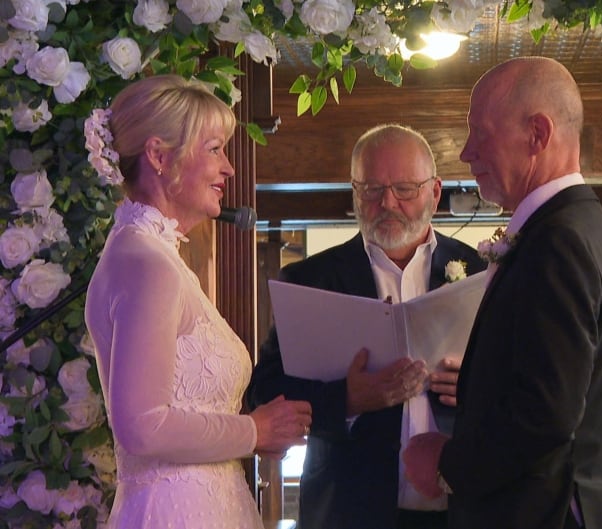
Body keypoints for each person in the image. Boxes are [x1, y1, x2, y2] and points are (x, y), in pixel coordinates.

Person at [402, 57, 602, 529]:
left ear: (537, 134)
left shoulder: (559, 243)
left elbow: (544, 414)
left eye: (481, 133)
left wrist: (449, 466)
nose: (467, 152)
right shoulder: (593, 232)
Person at [84, 74, 312, 529]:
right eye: (214, 150)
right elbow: (142, 426)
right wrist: (254, 430)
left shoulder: (153, 254)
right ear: (159, 156)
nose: (228, 168)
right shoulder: (145, 261)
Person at [247, 123, 487, 529]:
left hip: (463, 509)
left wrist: (476, 384)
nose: (387, 203)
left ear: (435, 191)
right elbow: (264, 393)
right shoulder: (311, 279)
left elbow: (522, 383)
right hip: (349, 510)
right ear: (354, 192)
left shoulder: (482, 270)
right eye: (372, 190)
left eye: (405, 189)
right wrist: (347, 400)